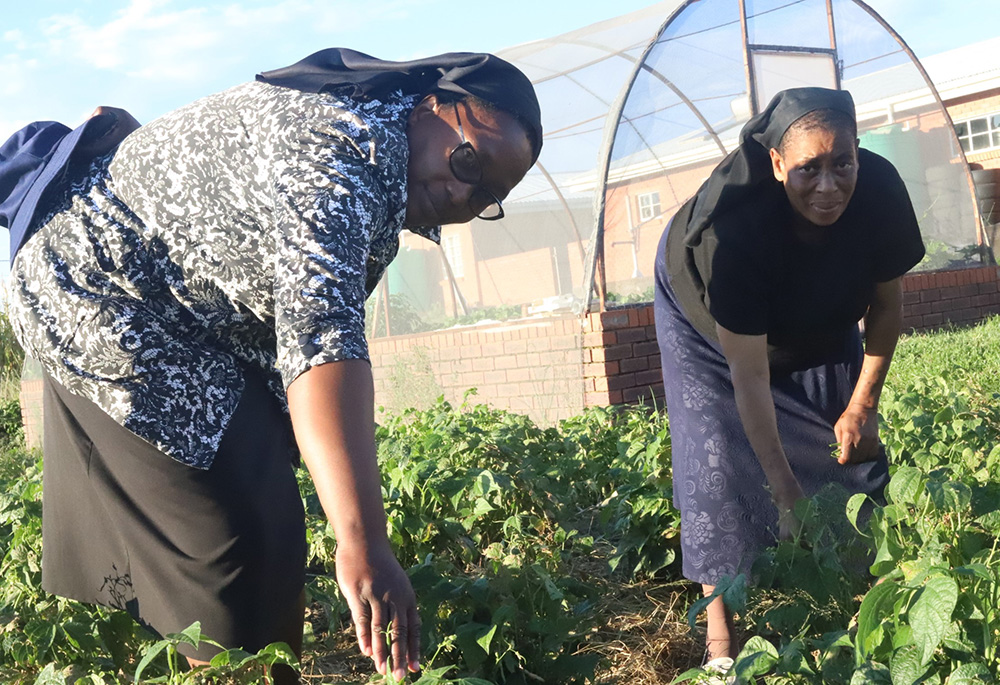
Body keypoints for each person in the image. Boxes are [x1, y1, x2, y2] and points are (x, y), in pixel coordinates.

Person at [1, 48, 541, 683]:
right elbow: (321, 343)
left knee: (266, 510)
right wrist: (364, 544)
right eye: (468, 160)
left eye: (487, 195)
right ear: (430, 106)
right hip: (95, 289)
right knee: (228, 538)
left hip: (171, 307)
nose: (462, 193)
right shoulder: (343, 151)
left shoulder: (380, 156)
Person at [653, 87, 924, 668]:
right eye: (807, 170)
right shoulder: (737, 235)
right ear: (777, 164)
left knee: (847, 444)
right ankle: (721, 648)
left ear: (858, 152)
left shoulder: (878, 194)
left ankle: (863, 607)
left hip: (817, 304)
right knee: (715, 458)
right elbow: (748, 380)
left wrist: (862, 407)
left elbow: (888, 309)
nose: (828, 187)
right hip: (706, 322)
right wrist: (784, 493)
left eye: (842, 164)